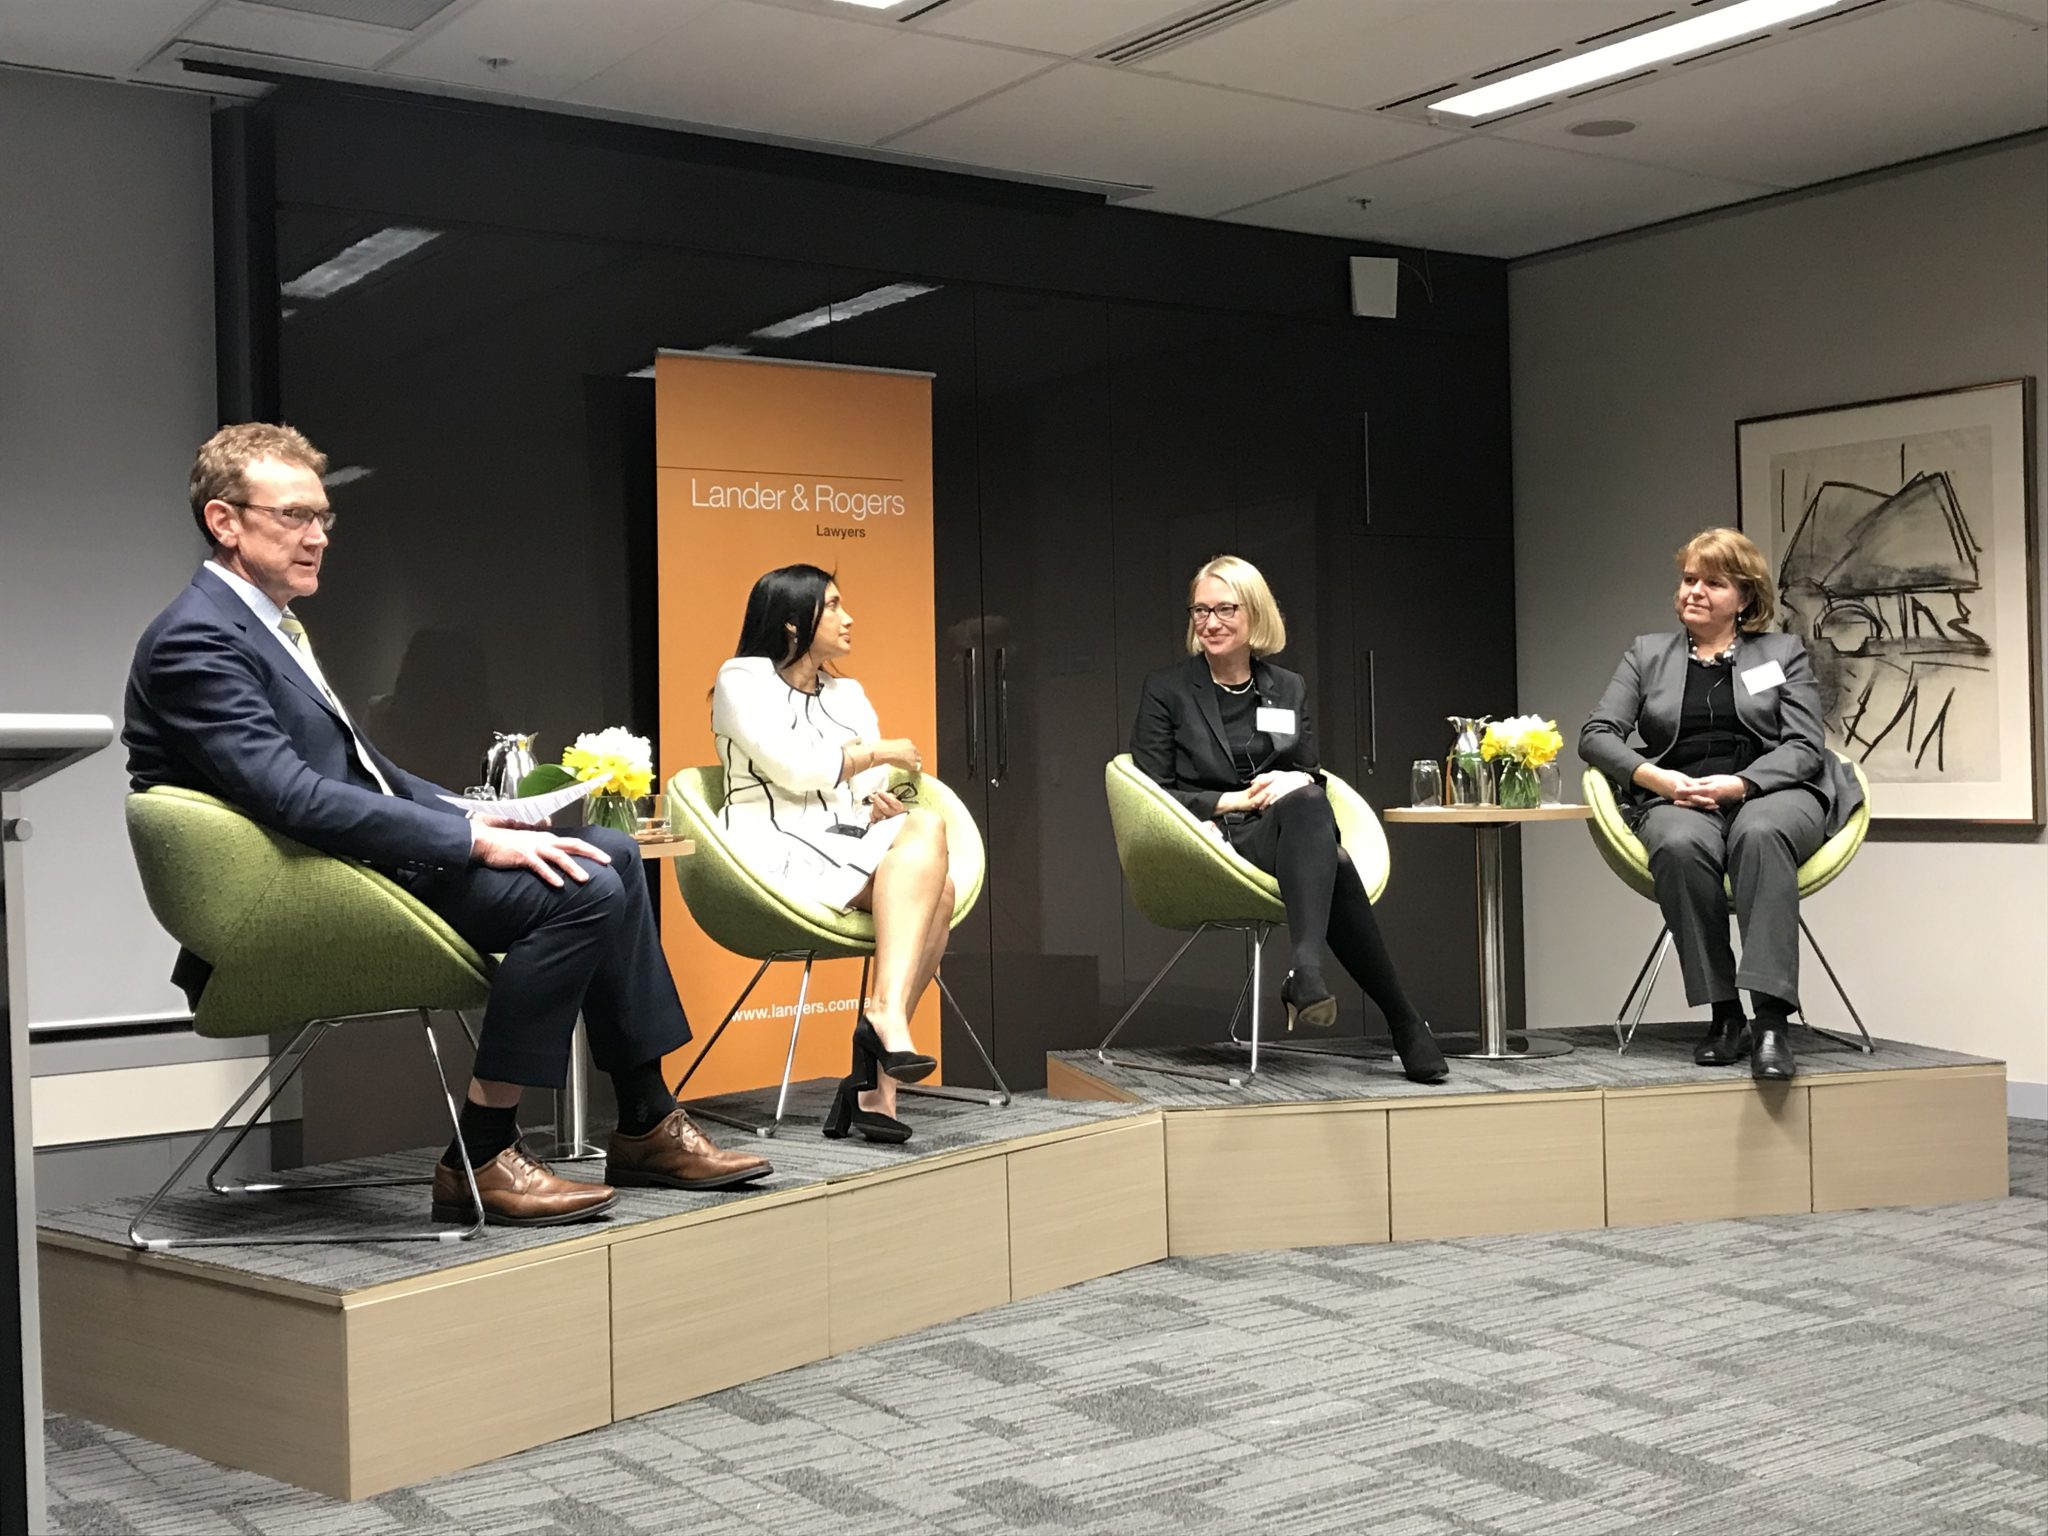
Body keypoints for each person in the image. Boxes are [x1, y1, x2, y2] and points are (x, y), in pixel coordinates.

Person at [125, 423, 771, 1227]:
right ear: (224, 521)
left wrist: (473, 811)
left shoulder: (264, 625)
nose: (318, 536)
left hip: (349, 869)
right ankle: (484, 1151)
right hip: (305, 889)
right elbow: (294, 799)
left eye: (323, 516)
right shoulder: (196, 639)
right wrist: (473, 841)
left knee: (606, 851)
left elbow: (363, 769)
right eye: (293, 515)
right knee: (583, 888)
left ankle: (644, 1119)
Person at [1130, 555, 1448, 1084]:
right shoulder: (1168, 690)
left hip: (1286, 831)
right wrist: (1233, 801)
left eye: (1225, 609)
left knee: (1306, 801)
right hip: (1214, 839)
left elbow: (1309, 772)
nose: (1210, 622)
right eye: (1201, 610)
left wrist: (1294, 781)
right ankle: (1396, 1016)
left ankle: (1311, 974)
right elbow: (1151, 792)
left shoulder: (1287, 687)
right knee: (1335, 862)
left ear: (1254, 613)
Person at [1580, 527, 1864, 1082]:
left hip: (1774, 790)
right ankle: (1725, 1013)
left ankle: (1772, 1022)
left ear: (1745, 596)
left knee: (1759, 834)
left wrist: (1741, 785)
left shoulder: (1781, 653)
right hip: (1680, 793)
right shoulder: (1647, 654)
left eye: (1713, 583)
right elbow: (1596, 734)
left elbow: (1805, 746)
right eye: (1689, 579)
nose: (1695, 591)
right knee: (1676, 844)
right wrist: (1656, 779)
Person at [710, 565, 955, 1144]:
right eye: (835, 606)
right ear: (793, 622)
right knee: (935, 889)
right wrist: (879, 751)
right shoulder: (741, 679)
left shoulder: (848, 694)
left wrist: (876, 801)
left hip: (840, 838)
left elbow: (864, 785)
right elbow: (796, 769)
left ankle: (880, 1055)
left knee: (930, 851)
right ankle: (877, 1055)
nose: (849, 619)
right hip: (769, 849)